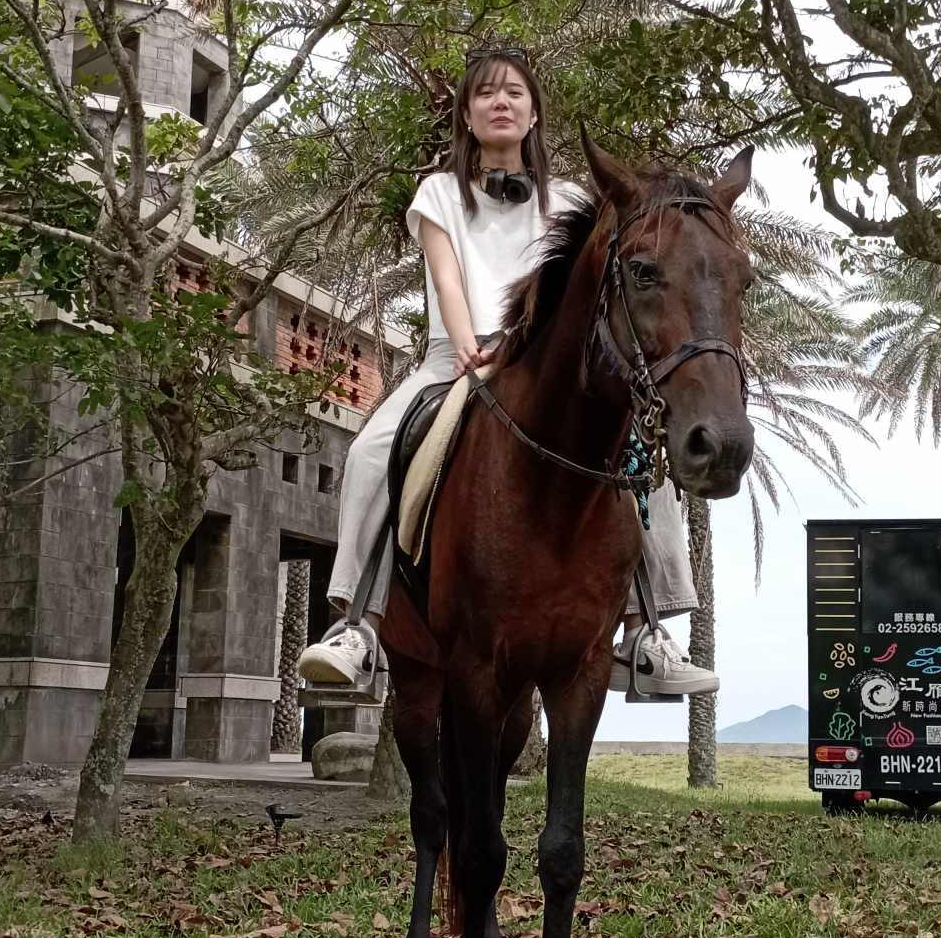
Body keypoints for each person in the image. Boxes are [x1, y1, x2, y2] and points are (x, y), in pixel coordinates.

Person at [296, 44, 718, 700]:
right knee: (371, 453)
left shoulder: (574, 199)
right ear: (467, 115)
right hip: (454, 358)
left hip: (544, 362)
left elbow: (587, 297)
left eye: (514, 93)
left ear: (533, 114)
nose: (501, 103)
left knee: (638, 456)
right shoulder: (438, 191)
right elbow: (447, 279)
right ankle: (358, 626)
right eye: (487, 93)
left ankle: (648, 631)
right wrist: (470, 346)